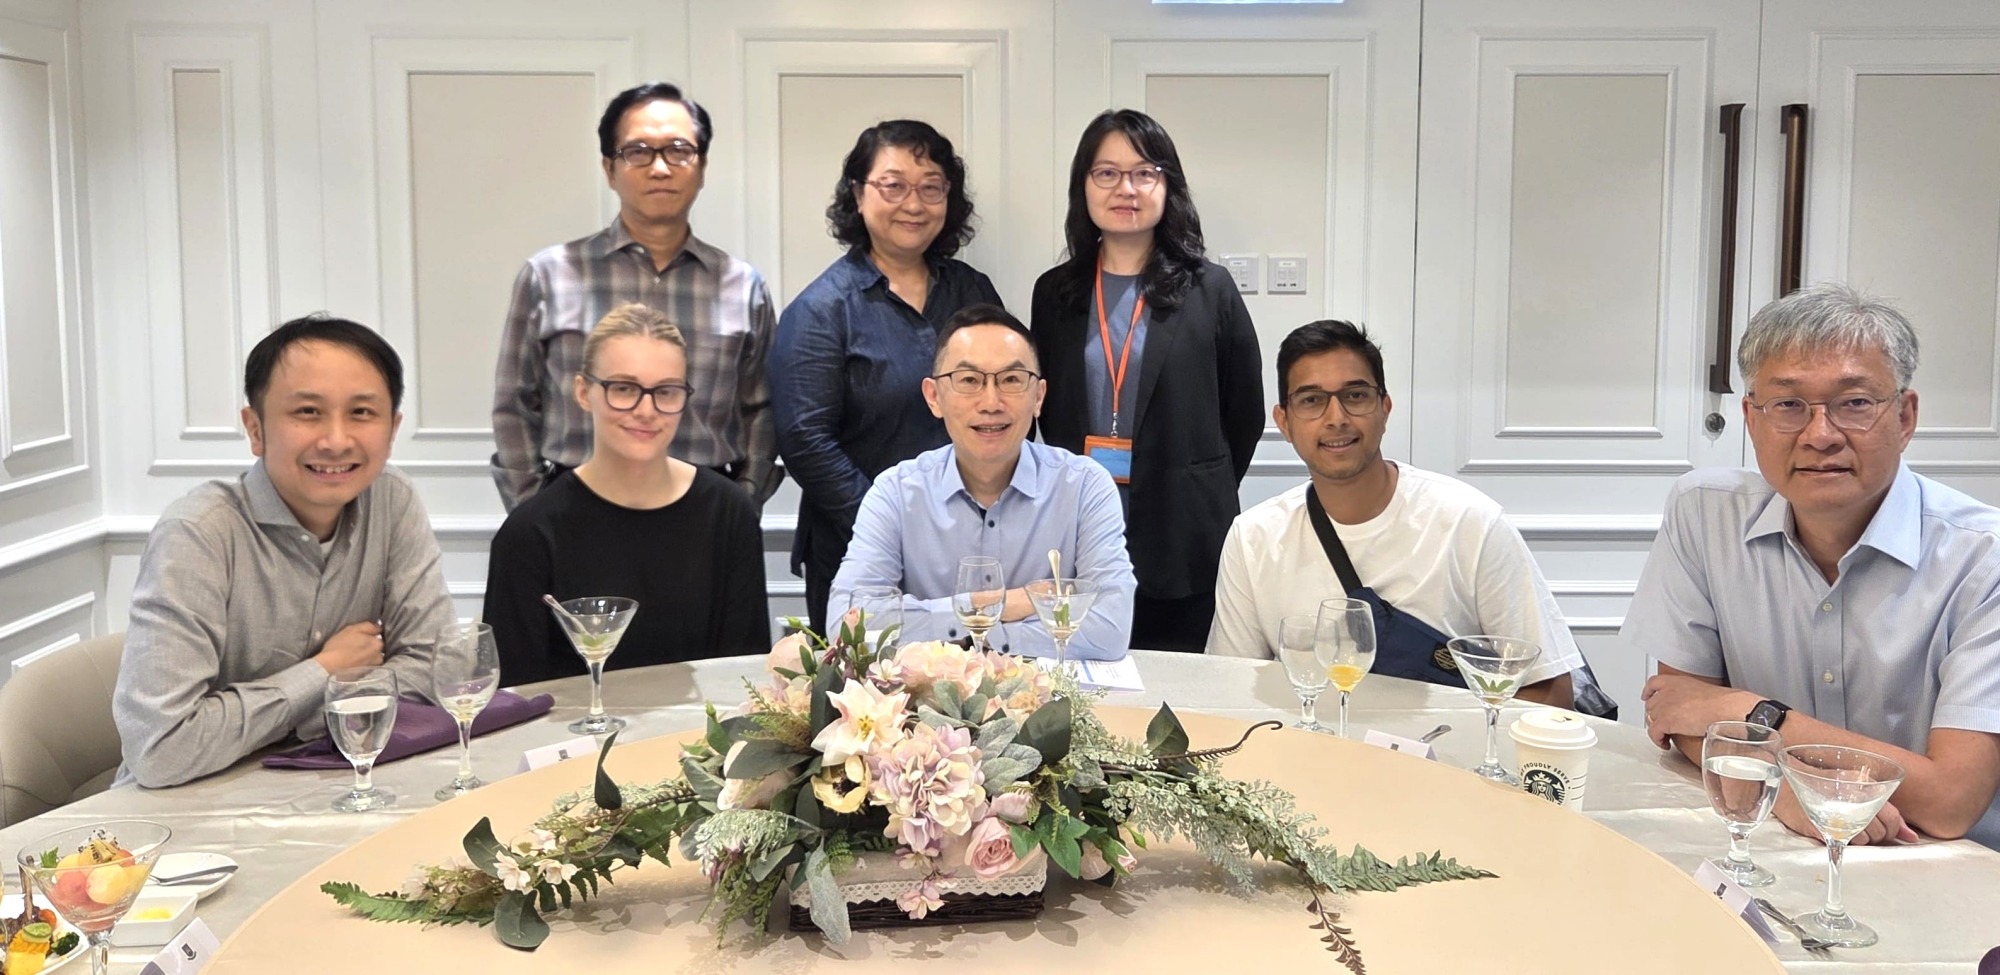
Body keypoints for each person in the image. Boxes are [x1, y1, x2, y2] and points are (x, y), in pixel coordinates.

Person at [1629, 283, 2000, 848]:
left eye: (1855, 404)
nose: (1820, 435)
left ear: (1905, 417)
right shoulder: (1703, 513)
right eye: (1788, 405)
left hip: (1946, 858)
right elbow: (1680, 714)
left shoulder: (1983, 556)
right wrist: (1780, 788)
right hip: (1777, 838)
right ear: (1751, 418)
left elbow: (1950, 802)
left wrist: (1757, 715)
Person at [113, 316, 453, 788]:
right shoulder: (198, 534)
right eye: (308, 412)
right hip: (193, 800)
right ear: (255, 428)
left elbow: (434, 670)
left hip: (333, 782)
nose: (336, 441)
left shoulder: (392, 500)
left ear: (392, 429)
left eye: (361, 412)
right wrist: (325, 671)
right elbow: (162, 748)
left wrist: (306, 703)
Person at [1208, 320, 1609, 713]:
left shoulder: (1469, 522)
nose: (1336, 417)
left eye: (1355, 396)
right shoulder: (1254, 538)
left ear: (1384, 409)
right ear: (1284, 422)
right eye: (1311, 400)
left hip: (1449, 751)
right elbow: (1230, 691)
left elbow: (1549, 692)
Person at [1030, 109, 1263, 653]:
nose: (1126, 188)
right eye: (1107, 173)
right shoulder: (1055, 292)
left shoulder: (1210, 289)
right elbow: (1042, 406)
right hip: (1078, 525)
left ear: (1168, 185)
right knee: (1084, 678)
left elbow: (1244, 411)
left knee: (1181, 686)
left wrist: (1195, 480)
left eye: (1144, 173)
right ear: (1083, 186)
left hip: (1183, 528)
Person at [491, 81, 778, 511]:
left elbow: (763, 408)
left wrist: (743, 500)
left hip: (706, 507)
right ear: (610, 169)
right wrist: (535, 509)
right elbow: (514, 405)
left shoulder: (743, 286)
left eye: (679, 151)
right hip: (574, 505)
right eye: (638, 152)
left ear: (701, 167)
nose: (660, 168)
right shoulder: (549, 276)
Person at [773, 120, 1004, 634]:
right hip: (858, 546)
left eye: (931, 187)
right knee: (871, 682)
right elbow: (806, 441)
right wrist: (894, 527)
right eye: (894, 185)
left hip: (971, 542)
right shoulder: (821, 310)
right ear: (858, 194)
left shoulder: (972, 291)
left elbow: (1008, 392)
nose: (914, 204)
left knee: (976, 680)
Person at [483, 303, 769, 685]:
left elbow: (743, 678)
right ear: (583, 392)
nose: (646, 410)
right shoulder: (529, 534)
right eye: (623, 388)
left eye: (666, 391)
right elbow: (517, 696)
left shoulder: (729, 513)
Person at [831, 304, 1135, 658]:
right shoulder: (896, 493)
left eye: (1011, 380)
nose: (991, 402)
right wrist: (1000, 605)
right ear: (934, 397)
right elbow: (846, 626)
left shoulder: (1084, 487)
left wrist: (964, 628)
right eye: (969, 381)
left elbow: (1110, 629)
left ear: (1038, 397)